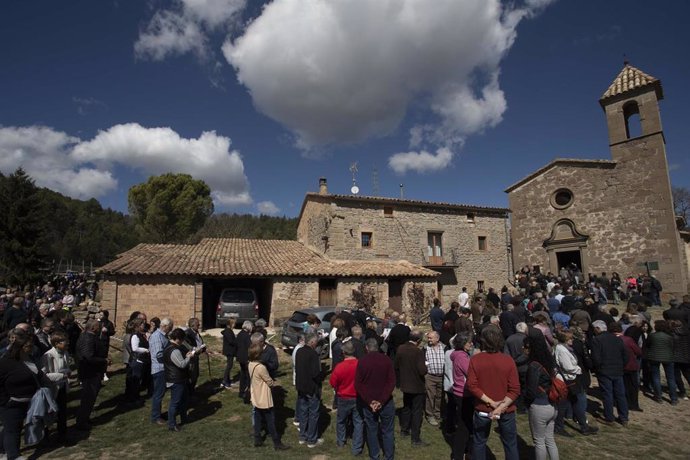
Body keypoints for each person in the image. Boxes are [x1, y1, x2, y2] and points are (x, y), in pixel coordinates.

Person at [466, 325, 520, 460]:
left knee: (479, 442)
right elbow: (515, 389)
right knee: (510, 443)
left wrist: (493, 404)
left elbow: (472, 386)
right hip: (505, 408)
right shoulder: (508, 360)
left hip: (485, 407)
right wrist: (500, 406)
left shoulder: (475, 360)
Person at [0, 330, 46, 459]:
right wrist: (6, 400)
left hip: (27, 401)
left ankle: (1, 449)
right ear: (19, 348)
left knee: (11, 427)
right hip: (11, 403)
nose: (32, 349)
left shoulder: (27, 359)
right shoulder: (5, 363)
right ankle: (13, 456)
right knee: (12, 430)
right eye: (28, 346)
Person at [355, 338, 396, 460]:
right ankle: (389, 456)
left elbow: (358, 384)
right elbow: (391, 382)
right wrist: (381, 400)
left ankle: (374, 456)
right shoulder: (387, 360)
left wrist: (370, 401)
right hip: (386, 401)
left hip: (370, 402)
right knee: (387, 431)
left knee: (371, 430)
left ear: (366, 348)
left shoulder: (362, 361)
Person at [553, 331, 597, 435]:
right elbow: (568, 367)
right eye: (570, 339)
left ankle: (583, 426)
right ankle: (560, 427)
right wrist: (578, 369)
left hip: (570, 380)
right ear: (565, 340)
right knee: (564, 404)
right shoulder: (562, 350)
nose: (572, 340)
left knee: (572, 403)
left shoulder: (564, 348)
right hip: (568, 380)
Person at [523, 335, 560, 460]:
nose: (524, 349)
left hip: (539, 406)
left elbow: (531, 390)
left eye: (526, 347)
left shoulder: (534, 366)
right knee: (549, 439)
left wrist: (526, 402)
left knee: (539, 441)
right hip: (552, 405)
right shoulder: (548, 362)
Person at [248, 342, 290, 450]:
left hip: (255, 395)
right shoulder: (261, 367)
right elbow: (269, 381)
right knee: (270, 420)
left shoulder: (250, 364)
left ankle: (257, 439)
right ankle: (277, 443)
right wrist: (273, 382)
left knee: (257, 418)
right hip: (264, 397)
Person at [590, 320, 629, 425]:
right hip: (618, 370)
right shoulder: (617, 339)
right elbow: (626, 355)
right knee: (620, 394)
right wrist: (622, 366)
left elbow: (596, 358)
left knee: (607, 394)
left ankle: (609, 417)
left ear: (597, 329)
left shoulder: (597, 340)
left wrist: (597, 368)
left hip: (604, 371)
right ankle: (624, 417)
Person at [329, 340, 363, 455]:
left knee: (341, 421)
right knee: (358, 422)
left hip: (343, 397)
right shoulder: (360, 365)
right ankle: (357, 447)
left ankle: (341, 441)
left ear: (343, 352)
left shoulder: (339, 367)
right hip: (357, 396)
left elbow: (333, 382)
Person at [75, 319, 110, 432]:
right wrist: (104, 360)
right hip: (90, 372)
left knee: (90, 397)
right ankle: (81, 421)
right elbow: (88, 357)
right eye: (98, 327)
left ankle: (85, 418)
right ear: (94, 328)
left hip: (92, 372)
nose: (99, 328)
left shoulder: (88, 336)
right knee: (88, 397)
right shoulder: (88, 338)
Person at [395, 329, 428, 446]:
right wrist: (426, 366)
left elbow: (396, 365)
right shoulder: (417, 352)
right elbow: (422, 371)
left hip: (405, 384)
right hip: (417, 385)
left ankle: (404, 430)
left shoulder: (401, 348)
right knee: (417, 411)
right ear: (418, 340)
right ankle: (415, 438)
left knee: (406, 407)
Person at [295, 332, 323, 448]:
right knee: (313, 413)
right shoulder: (313, 354)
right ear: (312, 342)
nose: (317, 344)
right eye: (316, 342)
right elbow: (315, 373)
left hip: (301, 386)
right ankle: (312, 439)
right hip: (311, 388)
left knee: (303, 411)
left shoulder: (299, 351)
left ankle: (302, 436)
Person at [40, 331, 71, 438]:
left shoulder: (65, 353)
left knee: (62, 412)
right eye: (64, 342)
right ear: (56, 343)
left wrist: (67, 372)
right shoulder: (48, 356)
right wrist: (62, 375)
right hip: (52, 388)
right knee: (49, 413)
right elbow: (44, 375)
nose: (67, 343)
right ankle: (45, 437)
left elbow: (65, 366)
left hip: (62, 387)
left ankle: (62, 435)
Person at [163, 328, 194, 432]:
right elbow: (182, 364)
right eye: (181, 340)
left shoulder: (169, 347)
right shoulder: (174, 350)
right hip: (176, 379)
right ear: (178, 339)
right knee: (175, 402)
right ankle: (172, 424)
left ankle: (184, 418)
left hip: (179, 378)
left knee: (184, 399)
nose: (182, 342)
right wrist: (189, 357)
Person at [450, 332, 474, 460]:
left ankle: (464, 451)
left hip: (461, 392)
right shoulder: (462, 357)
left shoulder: (460, 355)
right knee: (464, 427)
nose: (471, 344)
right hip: (464, 394)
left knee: (466, 424)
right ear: (463, 344)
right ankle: (458, 454)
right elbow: (471, 373)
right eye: (469, 342)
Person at [644, 320, 678, 404]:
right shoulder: (669, 337)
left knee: (656, 377)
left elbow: (647, 345)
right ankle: (673, 398)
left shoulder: (652, 336)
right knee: (670, 378)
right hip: (668, 358)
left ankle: (658, 396)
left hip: (654, 357)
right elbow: (673, 347)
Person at [149, 317, 173, 425]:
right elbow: (159, 355)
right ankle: (156, 417)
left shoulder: (162, 336)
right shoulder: (157, 337)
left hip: (163, 368)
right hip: (159, 369)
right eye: (170, 328)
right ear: (165, 326)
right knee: (158, 393)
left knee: (161, 393)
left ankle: (157, 414)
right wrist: (171, 355)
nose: (171, 330)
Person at [125, 318, 150, 403]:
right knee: (135, 380)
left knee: (138, 380)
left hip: (142, 360)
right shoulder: (135, 336)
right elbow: (135, 348)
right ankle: (133, 398)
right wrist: (146, 350)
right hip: (137, 360)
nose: (144, 325)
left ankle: (135, 396)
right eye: (142, 324)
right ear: (138, 326)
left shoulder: (141, 334)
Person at [424, 330, 445, 427]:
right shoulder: (425, 348)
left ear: (437, 338)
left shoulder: (444, 347)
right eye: (428, 338)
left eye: (430, 338)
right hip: (430, 376)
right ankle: (430, 415)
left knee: (439, 396)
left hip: (442, 377)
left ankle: (438, 413)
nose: (429, 340)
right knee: (430, 396)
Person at [184, 318, 205, 395]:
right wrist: (195, 350)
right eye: (198, 325)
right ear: (192, 325)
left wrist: (202, 348)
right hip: (191, 357)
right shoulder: (187, 333)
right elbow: (188, 346)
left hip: (196, 356)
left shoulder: (196, 332)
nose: (199, 326)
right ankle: (189, 392)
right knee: (192, 375)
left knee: (196, 374)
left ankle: (191, 390)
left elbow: (200, 342)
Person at [670, 320, 690, 400]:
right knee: (688, 375)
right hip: (687, 357)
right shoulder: (687, 334)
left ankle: (682, 392)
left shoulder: (672, 335)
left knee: (677, 376)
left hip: (676, 358)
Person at [236, 321, 252, 401]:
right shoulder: (247, 336)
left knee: (242, 375)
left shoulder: (239, 334)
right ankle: (247, 393)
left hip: (240, 358)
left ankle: (241, 392)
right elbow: (249, 347)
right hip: (246, 359)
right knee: (248, 376)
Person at [221, 317, 237, 389]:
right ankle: (224, 381)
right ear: (230, 324)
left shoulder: (229, 331)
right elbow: (231, 341)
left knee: (229, 365)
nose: (235, 325)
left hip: (229, 350)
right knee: (229, 366)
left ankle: (227, 380)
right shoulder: (228, 331)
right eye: (234, 323)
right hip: (229, 351)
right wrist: (237, 341)